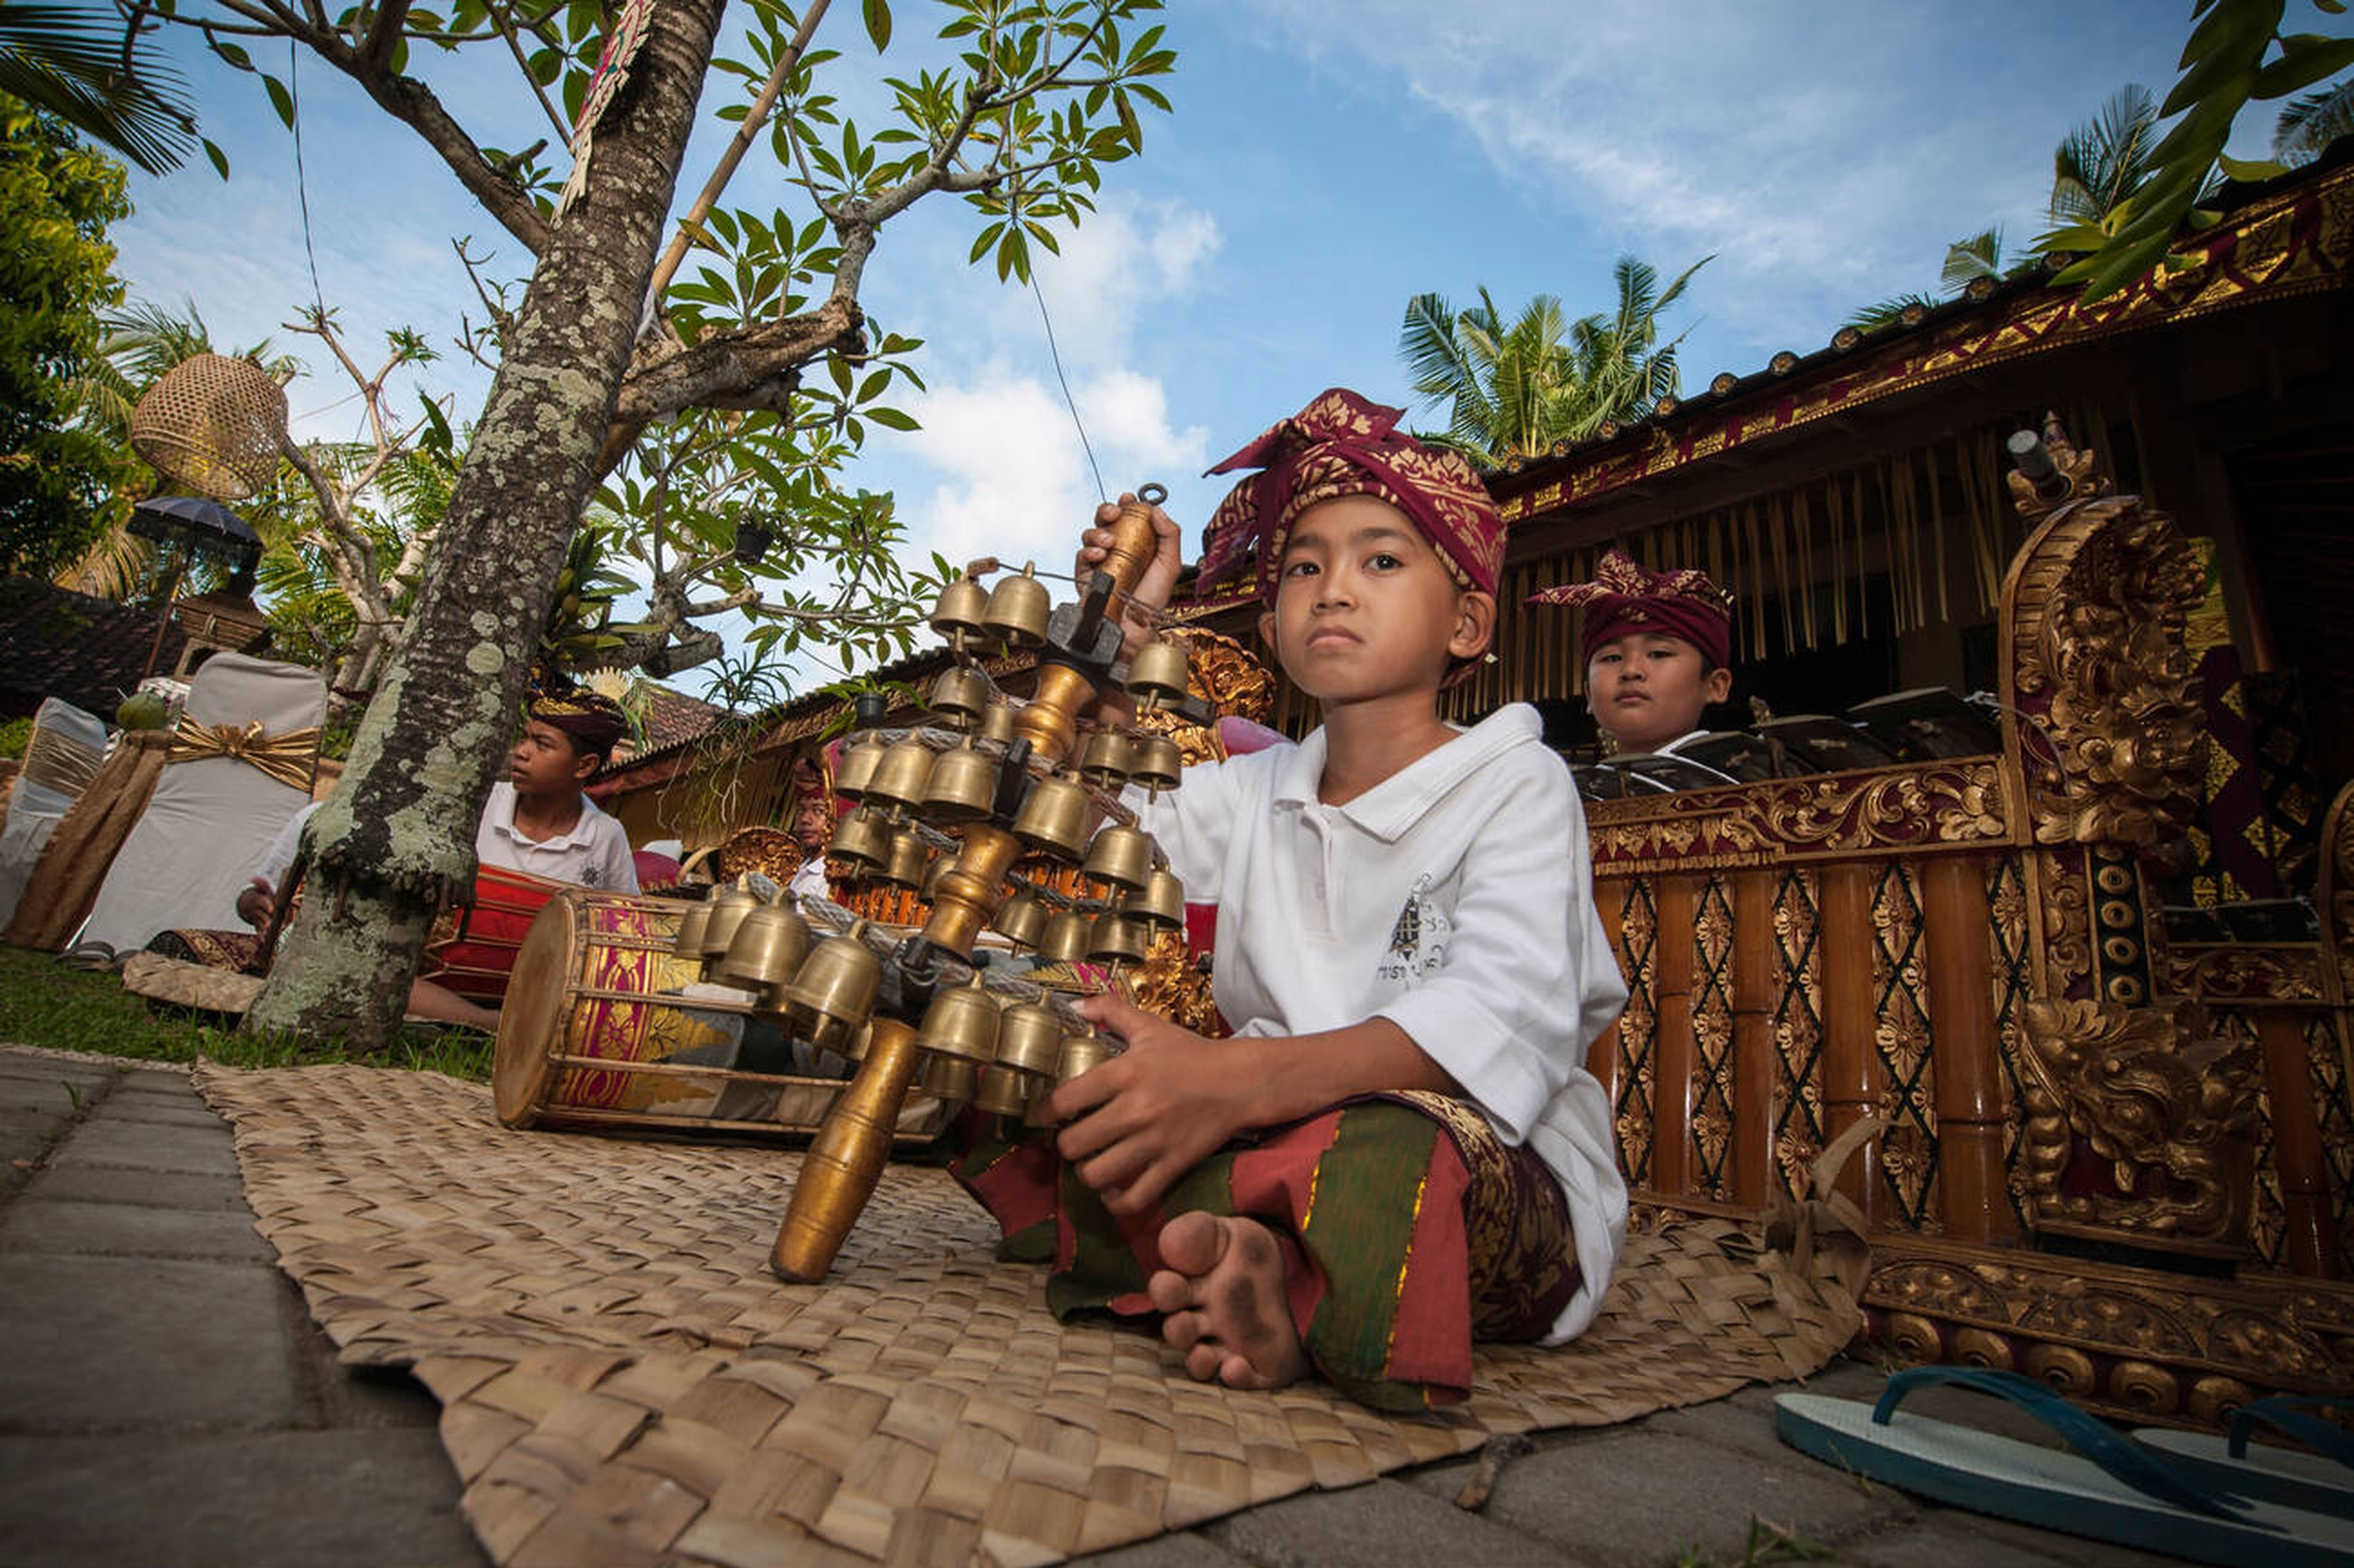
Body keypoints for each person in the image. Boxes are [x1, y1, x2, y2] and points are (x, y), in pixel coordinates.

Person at [952, 388, 1629, 1412]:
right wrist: (1121, 618)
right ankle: (1254, 1264)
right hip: (1259, 1129)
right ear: (1270, 626)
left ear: (1468, 622)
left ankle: (1242, 1256)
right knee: (999, 1042)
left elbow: (1493, 1017)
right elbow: (1099, 825)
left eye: (1381, 560)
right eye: (1303, 566)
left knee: (1390, 1153)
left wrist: (1232, 1082)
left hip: (1471, 1156)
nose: (1333, 589)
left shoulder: (1516, 782)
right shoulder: (1254, 788)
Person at [1528, 549, 1735, 756]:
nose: (1630, 670)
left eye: (1658, 654)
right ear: (1588, 694)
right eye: (1612, 658)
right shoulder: (1566, 787)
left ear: (1715, 685)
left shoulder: (1748, 782)